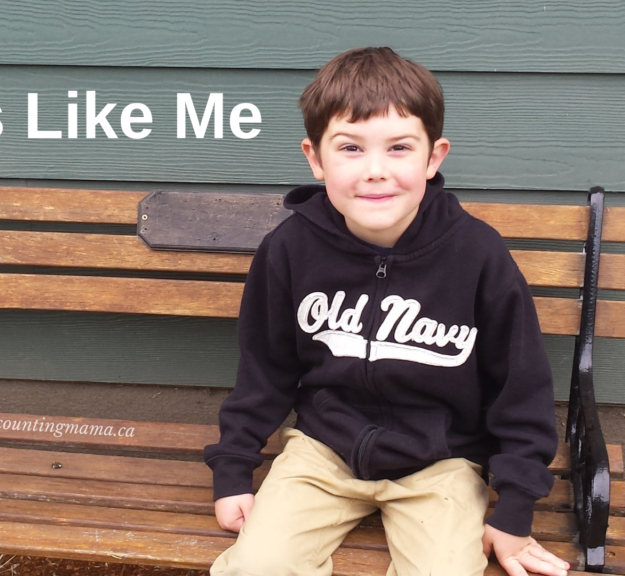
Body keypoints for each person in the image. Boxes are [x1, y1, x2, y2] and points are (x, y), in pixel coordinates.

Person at [203, 47, 572, 576]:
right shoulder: (289, 249)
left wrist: (513, 509)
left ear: (433, 156)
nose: (376, 171)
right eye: (350, 148)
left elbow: (521, 389)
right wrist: (234, 469)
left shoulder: (478, 255)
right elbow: (264, 370)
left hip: (442, 464)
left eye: (399, 147)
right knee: (256, 566)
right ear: (315, 157)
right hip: (321, 453)